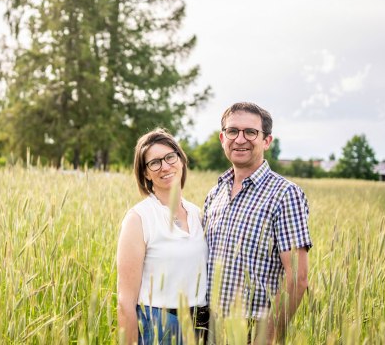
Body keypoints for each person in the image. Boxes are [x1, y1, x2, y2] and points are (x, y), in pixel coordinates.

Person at [203, 102, 312, 343]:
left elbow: (298, 279)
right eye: (233, 131)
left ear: (266, 141)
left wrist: (266, 337)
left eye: (250, 132)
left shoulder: (285, 194)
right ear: (223, 138)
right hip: (209, 328)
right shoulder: (215, 194)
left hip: (253, 331)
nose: (240, 139)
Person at [117, 128, 209, 344]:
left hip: (201, 326)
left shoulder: (198, 214)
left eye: (170, 157)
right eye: (154, 162)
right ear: (146, 173)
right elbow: (125, 301)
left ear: (181, 160)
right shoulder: (139, 218)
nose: (165, 166)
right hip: (159, 326)